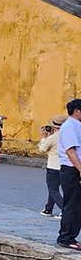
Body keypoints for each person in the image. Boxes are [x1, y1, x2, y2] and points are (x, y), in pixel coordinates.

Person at [57, 99, 81, 249]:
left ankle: (71, 235)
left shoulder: (77, 126)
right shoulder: (69, 126)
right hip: (72, 169)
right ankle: (66, 237)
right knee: (72, 204)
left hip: (76, 168)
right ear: (77, 111)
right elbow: (70, 151)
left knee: (78, 204)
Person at [40, 115, 67, 218]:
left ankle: (64, 210)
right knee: (56, 189)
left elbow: (42, 149)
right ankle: (48, 209)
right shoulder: (68, 134)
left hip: (53, 166)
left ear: (54, 126)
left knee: (53, 189)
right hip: (66, 166)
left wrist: (43, 138)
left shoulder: (53, 137)